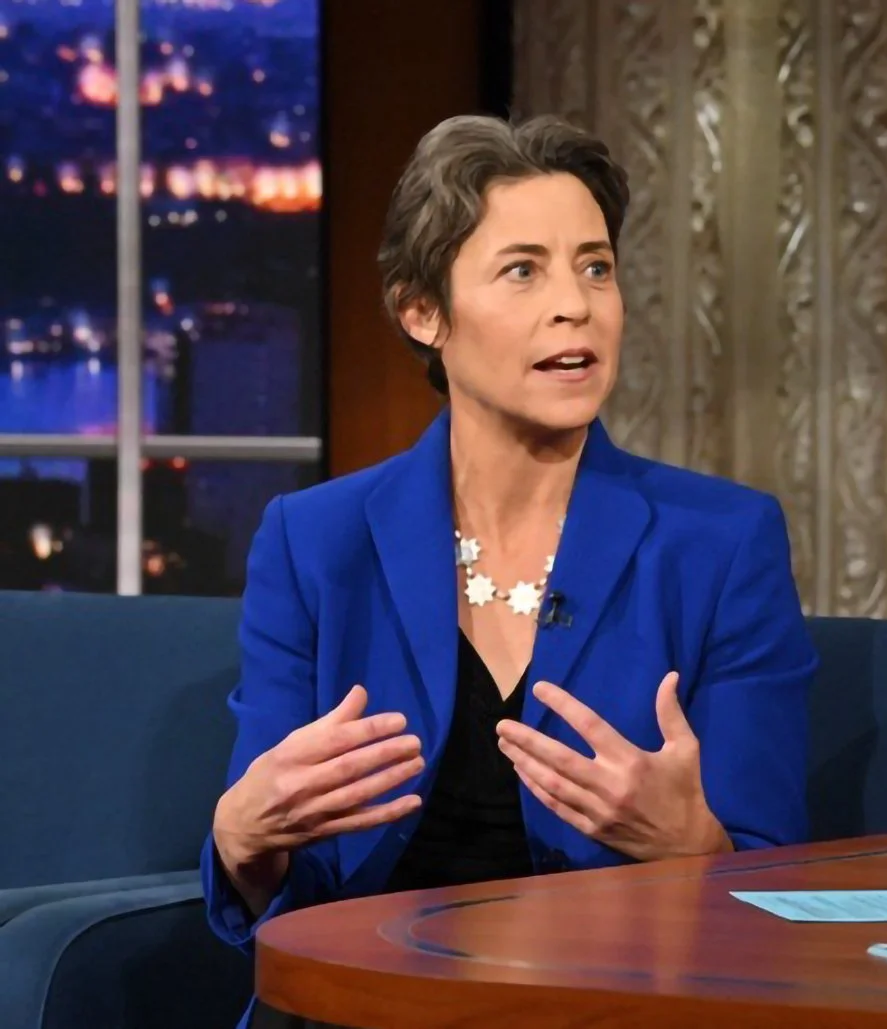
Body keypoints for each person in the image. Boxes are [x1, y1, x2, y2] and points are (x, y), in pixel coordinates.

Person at [201, 114, 818, 1027]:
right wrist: (238, 837)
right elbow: (268, 875)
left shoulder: (721, 541)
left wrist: (690, 842)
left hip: (610, 1007)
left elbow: (769, 883)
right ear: (423, 310)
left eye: (595, 266)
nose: (575, 304)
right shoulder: (313, 540)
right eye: (523, 269)